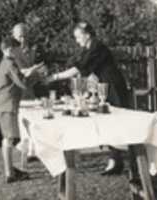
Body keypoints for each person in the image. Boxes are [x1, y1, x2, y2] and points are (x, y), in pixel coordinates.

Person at [45, 21, 130, 175]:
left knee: (116, 121)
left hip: (113, 87)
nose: (77, 41)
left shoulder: (97, 47)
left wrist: (55, 77)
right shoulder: (89, 48)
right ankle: (115, 161)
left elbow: (79, 68)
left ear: (87, 35)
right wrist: (89, 91)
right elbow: (86, 71)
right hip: (104, 85)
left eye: (78, 37)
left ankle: (124, 161)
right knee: (108, 122)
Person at [0, 38, 41, 183]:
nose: (20, 51)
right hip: (7, 104)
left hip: (5, 104)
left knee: (8, 138)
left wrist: (29, 71)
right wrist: (35, 74)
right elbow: (22, 83)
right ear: (10, 49)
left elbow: (18, 75)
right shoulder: (10, 63)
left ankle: (11, 170)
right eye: (17, 48)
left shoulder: (5, 62)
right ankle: (10, 173)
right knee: (8, 138)